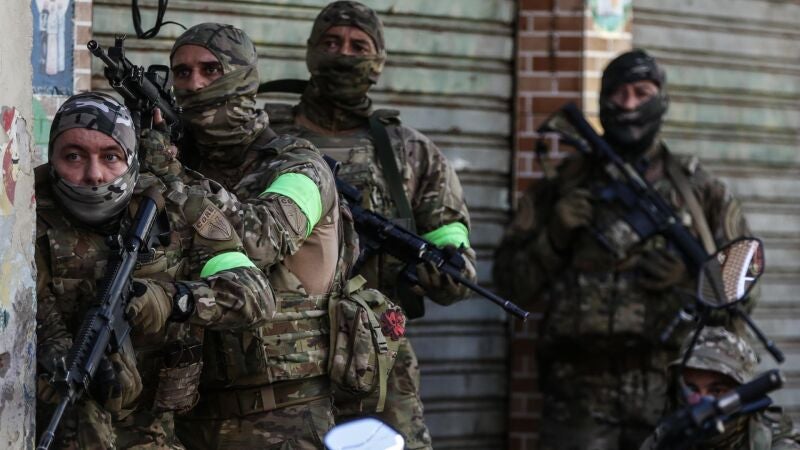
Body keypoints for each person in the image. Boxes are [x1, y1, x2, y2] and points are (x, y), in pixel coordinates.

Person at [493, 49, 753, 450]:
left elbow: (743, 293)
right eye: (618, 94)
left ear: (661, 100)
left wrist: (688, 282)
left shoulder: (701, 192)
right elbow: (509, 285)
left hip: (670, 389)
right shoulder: (563, 186)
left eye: (641, 93)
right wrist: (555, 236)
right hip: (577, 394)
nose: (629, 105)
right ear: (602, 101)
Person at [264, 2, 478, 448]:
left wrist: (447, 265)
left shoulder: (410, 152)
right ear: (310, 51)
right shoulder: (264, 135)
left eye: (358, 46)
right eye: (331, 42)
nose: (343, 54)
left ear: (378, 61)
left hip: (377, 359)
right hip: (274, 358)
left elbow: (451, 243)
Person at [35, 92, 272, 448]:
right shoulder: (23, 218)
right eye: (73, 156)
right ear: (52, 158)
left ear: (132, 160)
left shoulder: (180, 209)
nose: (94, 174)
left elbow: (256, 295)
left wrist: (174, 301)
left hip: (153, 430)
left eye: (111, 156)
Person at [166, 23, 345, 448]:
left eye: (211, 70)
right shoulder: (176, 160)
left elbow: (260, 241)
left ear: (244, 76)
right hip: (188, 413)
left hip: (283, 417)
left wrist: (173, 177)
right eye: (182, 72)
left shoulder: (300, 167)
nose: (195, 84)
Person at [641, 327, 800, 450]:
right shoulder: (665, 440)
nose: (702, 401)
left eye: (716, 391)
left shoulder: (774, 441)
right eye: (692, 389)